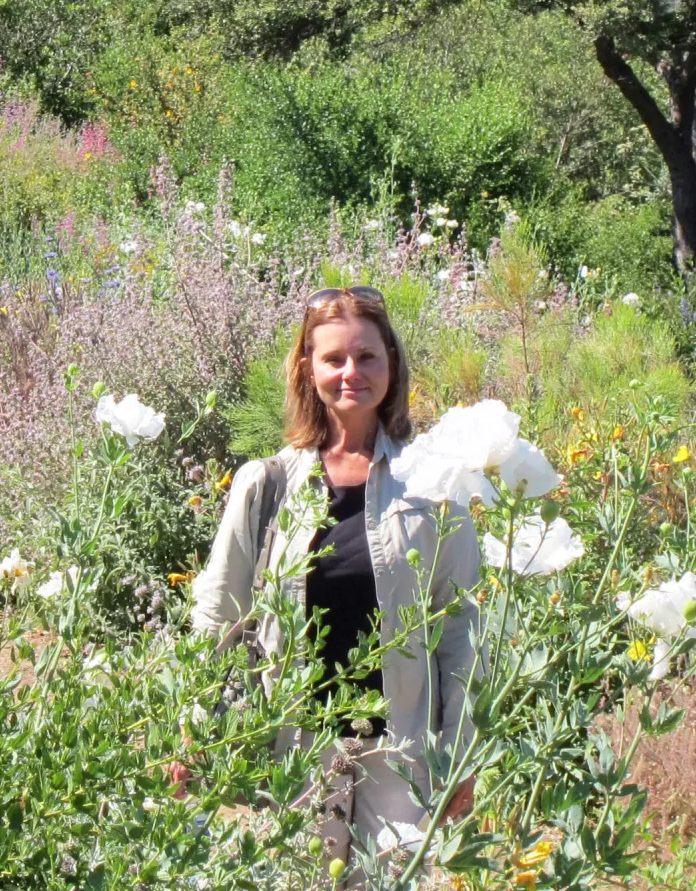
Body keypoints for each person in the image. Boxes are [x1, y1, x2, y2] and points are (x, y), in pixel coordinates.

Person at [191, 285, 481, 859]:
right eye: (334, 358)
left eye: (367, 356)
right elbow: (217, 613)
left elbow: (460, 631)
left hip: (400, 758)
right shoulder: (266, 485)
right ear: (308, 369)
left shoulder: (436, 485)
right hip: (297, 756)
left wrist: (460, 754)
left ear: (391, 364)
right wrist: (190, 725)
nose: (352, 372)